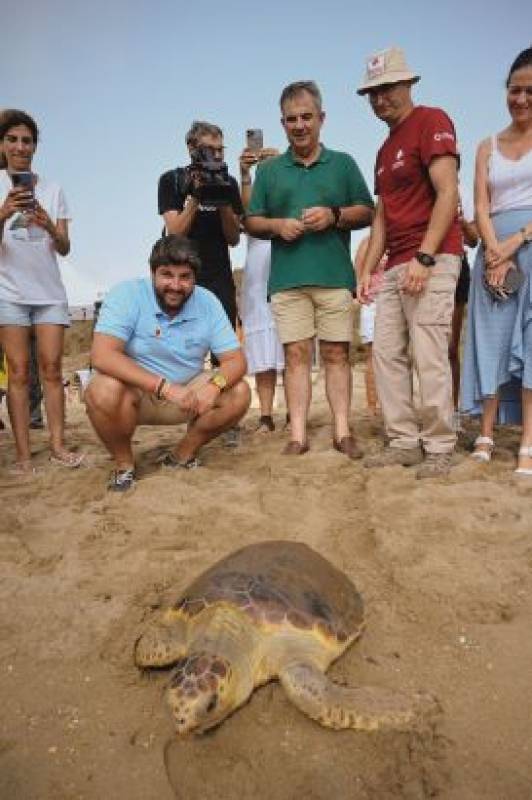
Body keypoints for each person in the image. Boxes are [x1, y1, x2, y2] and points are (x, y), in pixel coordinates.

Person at [246, 81, 374, 457]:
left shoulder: (344, 163)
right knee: (296, 356)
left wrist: (334, 215)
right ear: (282, 123)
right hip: (286, 281)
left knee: (337, 354)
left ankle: (342, 431)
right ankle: (297, 436)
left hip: (334, 276)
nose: (299, 125)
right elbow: (251, 221)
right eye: (291, 119)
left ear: (321, 118)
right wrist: (277, 226)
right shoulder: (268, 171)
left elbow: (367, 211)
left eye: (306, 117)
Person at [356, 47, 462, 479]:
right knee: (386, 353)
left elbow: (448, 192)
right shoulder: (383, 150)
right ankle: (403, 440)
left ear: (408, 85)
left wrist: (425, 255)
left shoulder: (432, 120)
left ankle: (439, 444)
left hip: (430, 257)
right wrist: (367, 269)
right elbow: (382, 215)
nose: (381, 99)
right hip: (395, 261)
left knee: (429, 352)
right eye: (373, 93)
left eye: (387, 89)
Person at [85, 235, 251, 492]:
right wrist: (164, 387)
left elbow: (236, 360)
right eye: (166, 275)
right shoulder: (126, 294)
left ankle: (182, 455)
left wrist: (214, 386)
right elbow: (102, 355)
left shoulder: (207, 301)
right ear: (152, 273)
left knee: (239, 392)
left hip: (188, 396)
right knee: (101, 389)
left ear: (195, 278)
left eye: (185, 277)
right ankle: (124, 465)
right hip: (137, 395)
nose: (175, 285)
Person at [461, 47, 532, 475]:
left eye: (530, 91)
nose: (521, 99)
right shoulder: (487, 145)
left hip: (527, 245)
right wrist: (493, 251)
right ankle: (485, 431)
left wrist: (517, 241)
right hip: (492, 253)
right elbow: (481, 205)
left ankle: (527, 438)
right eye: (514, 90)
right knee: (489, 340)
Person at [0, 109, 82, 473]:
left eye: (27, 140)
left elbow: (65, 247)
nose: (20, 146)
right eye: (13, 139)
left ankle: (58, 445)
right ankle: (21, 454)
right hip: (9, 294)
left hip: (49, 293)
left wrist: (50, 224)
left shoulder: (54, 188)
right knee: (17, 372)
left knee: (51, 369)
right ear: (2, 145)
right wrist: (3, 213)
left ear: (35, 146)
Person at [158, 121, 244, 448]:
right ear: (193, 149)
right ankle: (188, 411)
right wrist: (196, 196)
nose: (217, 156)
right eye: (210, 150)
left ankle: (226, 418)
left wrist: (221, 197)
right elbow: (175, 232)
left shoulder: (229, 182)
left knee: (225, 354)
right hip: (183, 280)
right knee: (186, 350)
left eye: (221, 149)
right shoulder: (173, 180)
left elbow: (234, 238)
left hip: (220, 276)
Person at [239, 145, 285, 432]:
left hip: (286, 270)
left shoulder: (287, 190)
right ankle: (266, 415)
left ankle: (295, 412)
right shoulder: (255, 198)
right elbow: (248, 211)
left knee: (292, 346)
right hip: (257, 277)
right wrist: (245, 174)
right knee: (261, 351)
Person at [449, 192, 478, 424]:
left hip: (457, 265)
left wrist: (461, 222)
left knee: (450, 348)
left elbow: (474, 240)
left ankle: (451, 411)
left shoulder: (462, 195)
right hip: (422, 263)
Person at [354, 236, 386, 416]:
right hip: (372, 302)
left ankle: (391, 403)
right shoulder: (366, 242)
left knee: (394, 355)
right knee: (372, 356)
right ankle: (372, 405)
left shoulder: (398, 240)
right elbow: (358, 272)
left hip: (395, 303)